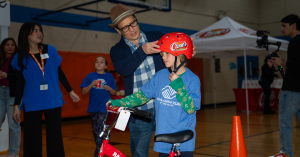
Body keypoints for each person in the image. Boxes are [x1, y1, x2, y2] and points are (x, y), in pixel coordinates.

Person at [109, 4, 197, 156]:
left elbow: (175, 50)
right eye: (125, 27)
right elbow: (123, 69)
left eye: (133, 23)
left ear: (136, 19)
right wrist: (142, 50)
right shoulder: (117, 50)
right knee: (139, 151)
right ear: (118, 30)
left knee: (171, 148)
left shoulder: (156, 36)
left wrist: (186, 50)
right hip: (139, 109)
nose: (132, 29)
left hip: (166, 105)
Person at [11, 22, 80, 157]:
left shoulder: (51, 50)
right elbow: (19, 83)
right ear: (27, 35)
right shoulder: (20, 57)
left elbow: (59, 72)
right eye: (35, 31)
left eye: (40, 30)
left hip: (52, 98)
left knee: (54, 135)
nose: (39, 33)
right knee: (32, 137)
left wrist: (70, 91)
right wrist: (16, 105)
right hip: (32, 100)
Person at [270, 14, 300, 157]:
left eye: (284, 26)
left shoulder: (295, 42)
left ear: (294, 25)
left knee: (285, 123)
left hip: (292, 90)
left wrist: (282, 63)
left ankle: (286, 153)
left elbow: (294, 65)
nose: (281, 29)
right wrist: (281, 65)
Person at [80, 56, 116, 157]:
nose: (99, 64)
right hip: (93, 107)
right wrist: (91, 85)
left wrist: (109, 88)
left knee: (100, 129)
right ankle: (102, 149)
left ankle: (98, 152)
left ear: (105, 66)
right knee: (95, 130)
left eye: (101, 62)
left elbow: (114, 91)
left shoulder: (109, 77)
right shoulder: (90, 76)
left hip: (104, 108)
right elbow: (83, 91)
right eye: (97, 62)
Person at [0, 38, 20, 157]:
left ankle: (13, 153)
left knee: (14, 124)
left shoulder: (18, 59)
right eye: (7, 45)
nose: (10, 47)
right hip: (0, 93)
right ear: (3, 46)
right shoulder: (1, 59)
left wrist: (7, 75)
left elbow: (21, 77)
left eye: (12, 45)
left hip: (13, 94)